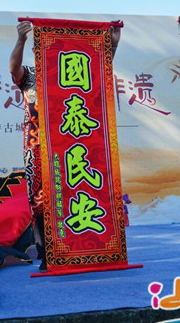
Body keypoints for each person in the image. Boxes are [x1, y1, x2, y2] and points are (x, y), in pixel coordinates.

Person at [9, 20, 122, 272]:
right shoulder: (31, 75)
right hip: (38, 144)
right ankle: (47, 254)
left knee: (74, 191)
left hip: (70, 145)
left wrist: (112, 46)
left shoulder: (72, 74)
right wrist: (21, 40)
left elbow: (98, 69)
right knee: (40, 198)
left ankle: (80, 248)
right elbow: (13, 69)